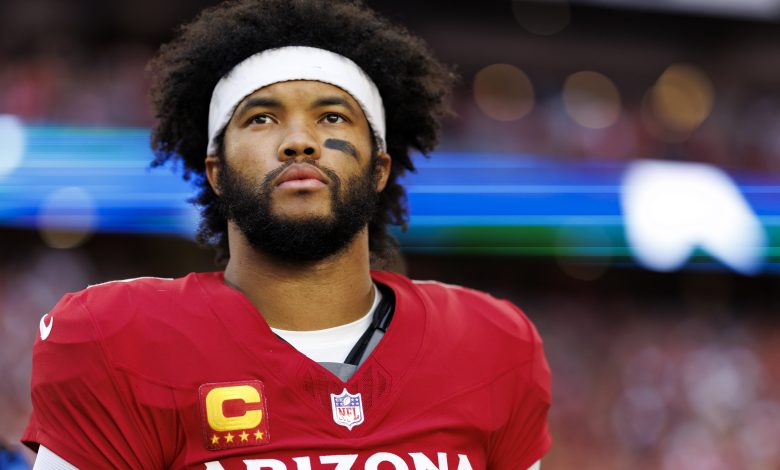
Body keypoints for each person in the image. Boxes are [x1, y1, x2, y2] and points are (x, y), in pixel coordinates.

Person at [23, 0, 552, 468]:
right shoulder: (115, 339)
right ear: (216, 170)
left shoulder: (494, 342)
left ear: (379, 168)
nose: (300, 142)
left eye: (332, 117)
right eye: (261, 119)